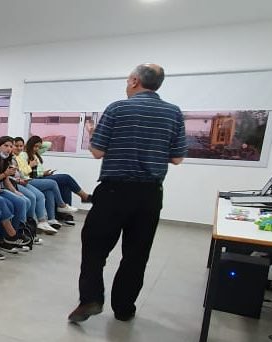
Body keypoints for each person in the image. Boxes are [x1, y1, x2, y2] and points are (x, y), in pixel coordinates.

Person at [69, 63, 186, 323]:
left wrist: (94, 135)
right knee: (136, 254)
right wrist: (150, 151)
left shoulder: (117, 108)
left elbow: (98, 151)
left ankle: (91, 299)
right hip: (150, 194)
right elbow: (177, 158)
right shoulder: (173, 113)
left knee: (94, 248)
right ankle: (124, 308)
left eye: (127, 80)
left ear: (134, 81)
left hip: (114, 191)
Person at [0, 136, 57, 235]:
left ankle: (29, 227)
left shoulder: (8, 158)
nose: (9, 149)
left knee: (29, 198)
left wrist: (15, 191)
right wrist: (9, 176)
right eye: (6, 146)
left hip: (14, 183)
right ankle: (18, 233)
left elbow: (7, 179)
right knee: (24, 200)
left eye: (11, 146)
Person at [12, 136, 70, 230]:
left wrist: (42, 173)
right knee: (53, 183)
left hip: (27, 180)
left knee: (48, 192)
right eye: (16, 146)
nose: (19, 148)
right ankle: (61, 205)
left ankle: (48, 220)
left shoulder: (25, 156)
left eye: (21, 146)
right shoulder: (23, 155)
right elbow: (23, 172)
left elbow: (48, 145)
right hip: (25, 180)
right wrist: (30, 166)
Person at [24, 135, 90, 211]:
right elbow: (27, 172)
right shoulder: (24, 155)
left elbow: (49, 144)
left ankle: (66, 214)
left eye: (39, 147)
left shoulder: (36, 153)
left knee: (65, 184)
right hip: (36, 178)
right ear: (30, 145)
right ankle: (84, 196)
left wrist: (44, 173)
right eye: (35, 146)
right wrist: (27, 145)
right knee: (66, 178)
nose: (37, 148)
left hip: (42, 175)